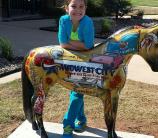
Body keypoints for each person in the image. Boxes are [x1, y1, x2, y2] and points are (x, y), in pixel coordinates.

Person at [58, 0, 94, 137]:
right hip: (69, 60)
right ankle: (82, 120)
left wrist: (69, 43)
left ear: (85, 8)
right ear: (67, 8)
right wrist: (79, 44)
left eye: (81, 6)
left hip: (85, 61)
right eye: (74, 6)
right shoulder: (63, 20)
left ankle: (67, 126)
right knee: (76, 91)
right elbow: (62, 43)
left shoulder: (87, 22)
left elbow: (89, 46)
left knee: (77, 91)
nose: (77, 10)